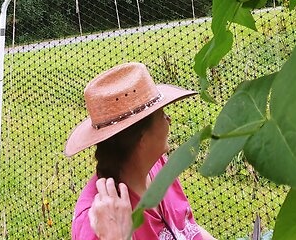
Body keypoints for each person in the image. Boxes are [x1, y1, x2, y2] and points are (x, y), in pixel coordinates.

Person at [64, 62, 217, 240]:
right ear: (142, 138)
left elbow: (188, 229)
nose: (170, 119)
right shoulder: (98, 221)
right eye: (162, 115)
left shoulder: (158, 166)